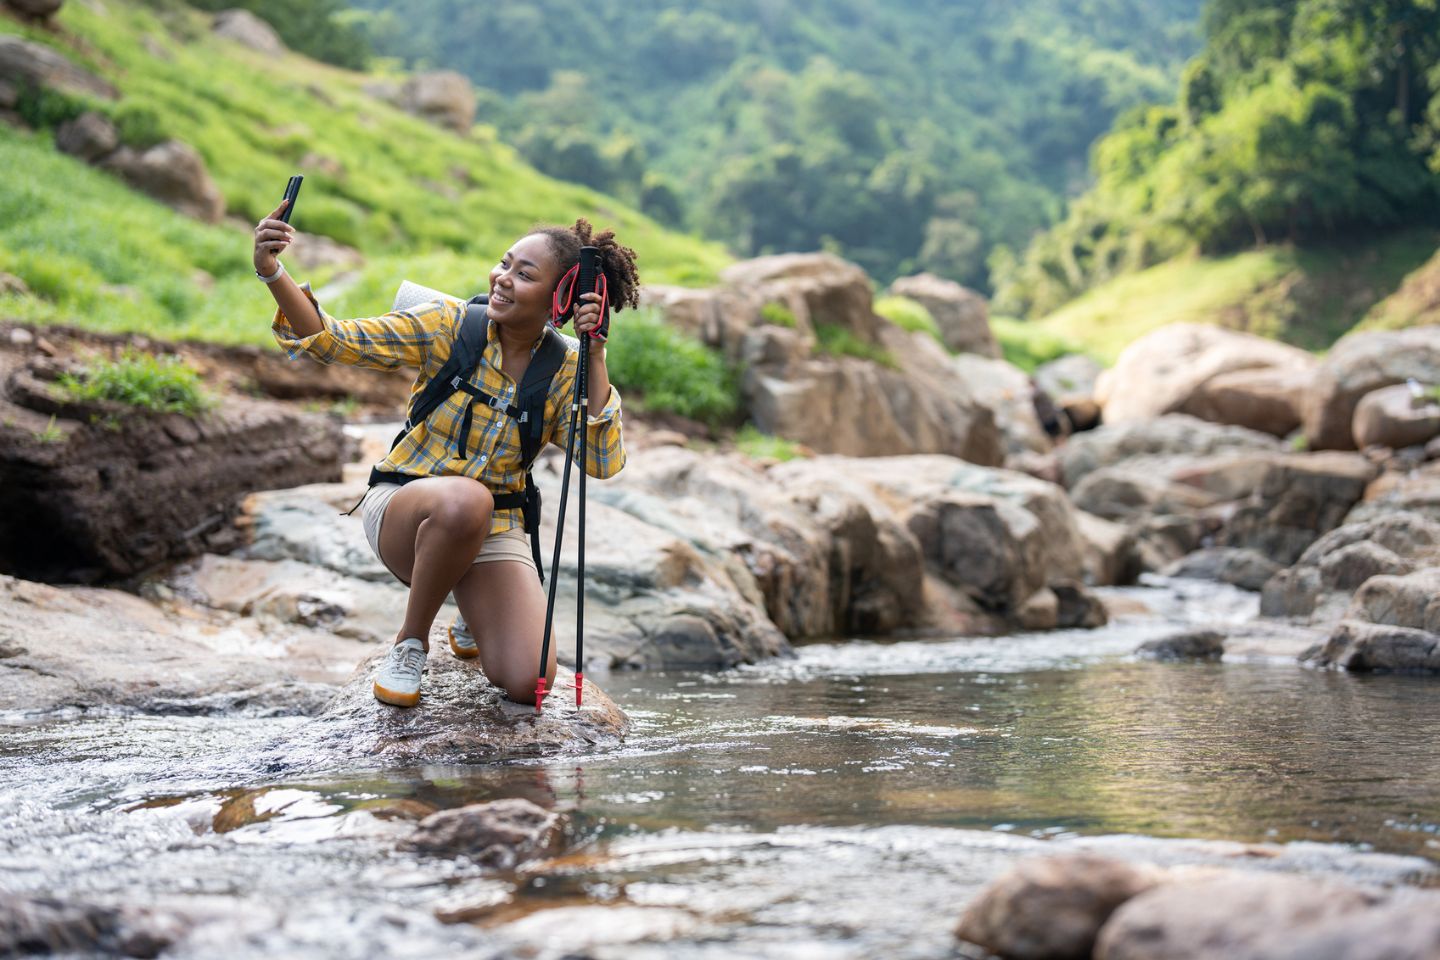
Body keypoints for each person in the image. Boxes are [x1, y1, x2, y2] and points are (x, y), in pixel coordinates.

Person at [253, 204, 637, 708]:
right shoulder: (449, 324)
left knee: (530, 683)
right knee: (464, 501)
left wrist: (596, 357)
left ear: (559, 299)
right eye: (504, 264)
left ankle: (472, 611)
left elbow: (601, 463)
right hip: (406, 511)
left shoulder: (567, 368)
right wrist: (271, 271)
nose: (502, 279)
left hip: (496, 528)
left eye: (524, 275)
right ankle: (410, 642)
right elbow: (330, 340)